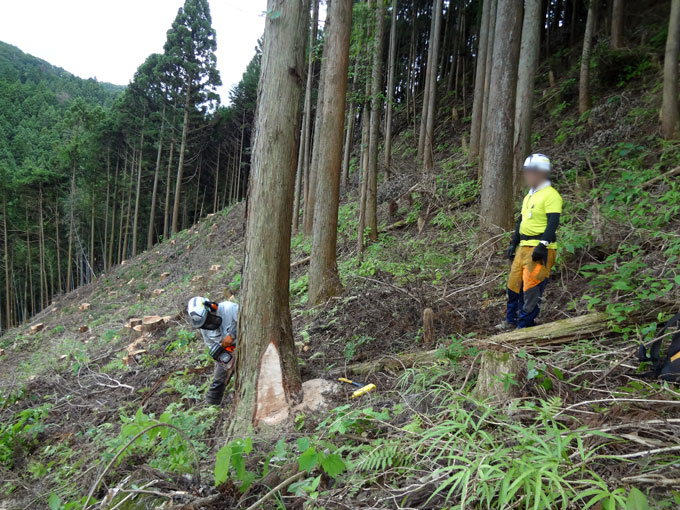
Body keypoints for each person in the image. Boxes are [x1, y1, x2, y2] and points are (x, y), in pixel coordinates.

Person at [501, 154, 563, 330]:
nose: (527, 175)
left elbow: (553, 222)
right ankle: (510, 320)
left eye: (531, 172)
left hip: (539, 248)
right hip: (523, 247)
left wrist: (543, 245)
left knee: (531, 289)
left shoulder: (551, 195)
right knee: (513, 286)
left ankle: (524, 327)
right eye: (526, 171)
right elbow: (521, 221)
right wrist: (514, 243)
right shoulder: (529, 195)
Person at [187, 296, 238, 405]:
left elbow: (250, 321)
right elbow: (211, 345)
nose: (207, 324)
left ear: (212, 307)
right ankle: (213, 405)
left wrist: (233, 335)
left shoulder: (229, 309)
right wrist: (222, 354)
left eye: (208, 319)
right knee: (216, 384)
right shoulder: (205, 329)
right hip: (227, 352)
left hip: (244, 343)